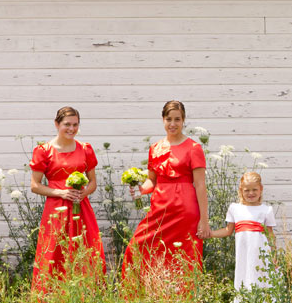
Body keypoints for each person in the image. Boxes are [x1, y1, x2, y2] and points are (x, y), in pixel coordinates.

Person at [122, 100, 209, 283]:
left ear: (183, 120)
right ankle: (149, 297)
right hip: (159, 209)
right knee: (136, 247)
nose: (173, 124)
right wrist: (140, 190)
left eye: (177, 119)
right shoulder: (155, 148)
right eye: (169, 119)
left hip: (185, 211)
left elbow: (200, 185)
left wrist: (204, 220)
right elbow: (151, 181)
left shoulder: (194, 148)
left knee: (182, 256)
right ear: (162, 120)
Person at [30, 107, 105, 293]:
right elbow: (35, 185)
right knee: (55, 252)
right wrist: (61, 193)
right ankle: (52, 298)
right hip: (56, 209)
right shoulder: (44, 151)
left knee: (84, 250)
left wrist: (84, 192)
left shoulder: (85, 149)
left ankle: (86, 296)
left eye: (75, 124)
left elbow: (93, 182)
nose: (71, 128)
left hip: (82, 208)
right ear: (57, 124)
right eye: (67, 124)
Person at [209, 172, 276, 291]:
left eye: (254, 189)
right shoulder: (235, 208)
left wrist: (274, 255)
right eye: (247, 190)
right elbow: (228, 230)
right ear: (241, 190)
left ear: (261, 189)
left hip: (260, 251)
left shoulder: (266, 210)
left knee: (260, 275)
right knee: (244, 274)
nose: (251, 193)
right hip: (243, 252)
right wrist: (211, 234)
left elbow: (270, 234)